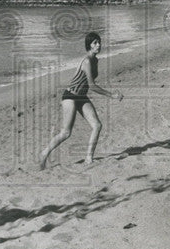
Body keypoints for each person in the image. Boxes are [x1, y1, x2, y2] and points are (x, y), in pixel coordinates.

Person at [39, 32, 123, 170]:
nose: (98, 45)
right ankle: (44, 153)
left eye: (99, 42)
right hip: (70, 96)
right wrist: (111, 95)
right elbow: (91, 85)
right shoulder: (87, 61)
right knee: (66, 133)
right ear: (89, 45)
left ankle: (89, 158)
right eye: (95, 42)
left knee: (97, 125)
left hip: (81, 97)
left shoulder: (95, 60)